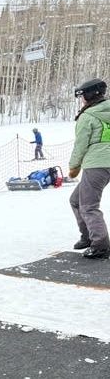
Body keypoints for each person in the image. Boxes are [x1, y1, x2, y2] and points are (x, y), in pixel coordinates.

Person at [69, 78, 110, 259]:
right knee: (76, 200)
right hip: (104, 165)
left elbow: (80, 145)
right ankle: (88, 236)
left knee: (88, 206)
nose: (82, 100)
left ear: (90, 95)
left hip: (96, 165)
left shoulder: (87, 116)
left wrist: (74, 167)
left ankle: (100, 245)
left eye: (82, 96)